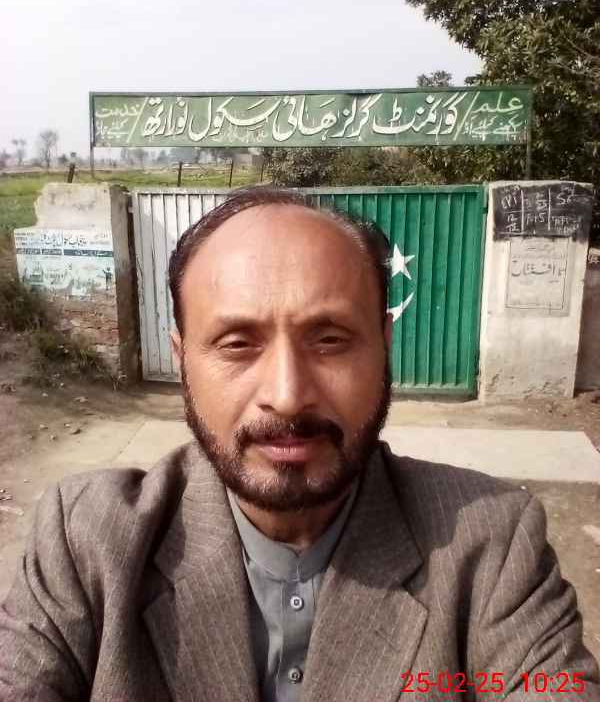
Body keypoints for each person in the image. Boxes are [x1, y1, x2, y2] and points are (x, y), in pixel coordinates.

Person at [0, 186, 598, 702]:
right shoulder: (87, 540)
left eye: (330, 340)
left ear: (384, 346)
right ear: (182, 362)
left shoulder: (492, 545)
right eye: (238, 344)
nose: (287, 396)